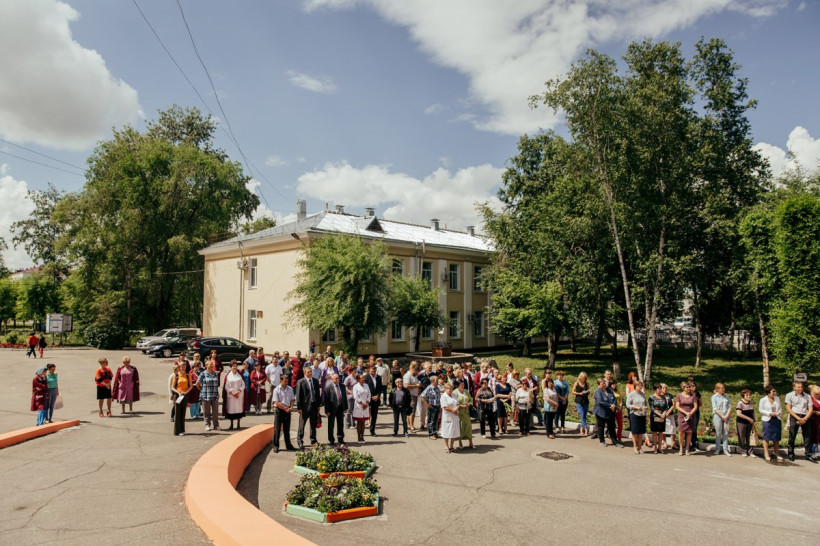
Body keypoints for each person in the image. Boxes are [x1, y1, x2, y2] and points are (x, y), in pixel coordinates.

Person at [784, 381, 814, 461]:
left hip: (805, 416)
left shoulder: (807, 396)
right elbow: (788, 409)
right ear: (794, 387)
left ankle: (808, 454)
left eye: (801, 387)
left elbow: (810, 409)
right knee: (792, 435)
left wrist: (805, 419)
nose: (800, 388)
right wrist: (798, 418)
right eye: (798, 387)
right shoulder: (789, 395)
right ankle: (791, 453)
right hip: (794, 416)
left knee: (807, 436)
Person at [296, 366, 321, 449]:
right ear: (304, 372)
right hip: (304, 407)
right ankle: (300, 440)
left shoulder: (315, 381)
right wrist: (299, 407)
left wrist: (318, 405)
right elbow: (298, 396)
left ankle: (313, 440)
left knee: (313, 424)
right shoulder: (301, 382)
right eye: (308, 372)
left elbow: (317, 394)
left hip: (314, 406)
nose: (310, 373)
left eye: (311, 372)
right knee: (302, 425)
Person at [593, 378, 621, 447]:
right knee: (601, 427)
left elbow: (614, 399)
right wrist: (610, 405)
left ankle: (615, 442)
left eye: (604, 383)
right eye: (602, 383)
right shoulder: (597, 392)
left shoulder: (609, 390)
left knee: (612, 427)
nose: (604, 384)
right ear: (599, 385)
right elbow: (600, 402)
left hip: (610, 412)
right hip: (601, 412)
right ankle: (602, 441)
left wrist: (614, 405)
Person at [271, 375, 296, 452]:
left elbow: (292, 399)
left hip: (287, 410)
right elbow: (276, 402)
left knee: (287, 429)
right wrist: (285, 408)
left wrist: (291, 408)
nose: (286, 383)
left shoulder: (290, 389)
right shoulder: (276, 389)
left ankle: (288, 445)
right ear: (281, 381)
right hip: (279, 410)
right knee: (277, 429)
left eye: (287, 381)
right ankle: (275, 446)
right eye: (285, 381)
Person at [759, 384, 783, 461]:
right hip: (767, 420)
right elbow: (760, 409)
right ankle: (766, 453)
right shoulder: (763, 400)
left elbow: (780, 408)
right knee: (767, 437)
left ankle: (776, 452)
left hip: (776, 419)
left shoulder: (777, 399)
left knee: (776, 437)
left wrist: (778, 413)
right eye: (773, 391)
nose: (774, 392)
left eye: (774, 391)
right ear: (768, 392)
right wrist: (769, 413)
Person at [195, 360, 220, 431]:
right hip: (206, 395)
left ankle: (216, 425)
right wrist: (201, 390)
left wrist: (218, 393)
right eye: (210, 364)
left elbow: (216, 384)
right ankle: (207, 424)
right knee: (206, 412)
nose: (212, 365)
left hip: (214, 395)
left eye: (212, 364)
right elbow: (197, 384)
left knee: (215, 412)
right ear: (206, 366)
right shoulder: (203, 374)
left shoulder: (215, 373)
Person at [323, 373, 347, 445]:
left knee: (340, 424)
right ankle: (331, 440)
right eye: (336, 378)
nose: (337, 379)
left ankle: (340, 438)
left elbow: (344, 397)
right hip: (331, 409)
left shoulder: (342, 386)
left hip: (340, 408)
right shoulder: (328, 387)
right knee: (331, 425)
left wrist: (345, 407)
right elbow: (326, 401)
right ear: (332, 379)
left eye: (338, 378)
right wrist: (327, 410)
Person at [675, 382, 699, 455]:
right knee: (681, 432)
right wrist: (685, 413)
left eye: (689, 387)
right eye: (687, 387)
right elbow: (677, 406)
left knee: (689, 432)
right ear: (683, 388)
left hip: (691, 416)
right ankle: (681, 448)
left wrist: (691, 413)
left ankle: (687, 449)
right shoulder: (679, 395)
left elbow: (695, 406)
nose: (689, 388)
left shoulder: (693, 396)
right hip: (682, 416)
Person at [171, 360, 193, 436]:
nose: (183, 367)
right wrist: (178, 392)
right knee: (178, 413)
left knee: (183, 413)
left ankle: (182, 430)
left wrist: (186, 392)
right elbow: (172, 387)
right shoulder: (176, 375)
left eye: (184, 366)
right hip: (178, 395)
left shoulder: (188, 375)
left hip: (185, 395)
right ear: (179, 367)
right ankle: (177, 431)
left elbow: (191, 386)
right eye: (181, 366)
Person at [222, 360, 246, 431]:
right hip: (231, 395)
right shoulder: (228, 375)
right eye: (233, 366)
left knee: (238, 409)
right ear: (230, 367)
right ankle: (231, 425)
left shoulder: (240, 374)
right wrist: (232, 392)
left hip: (239, 395)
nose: (235, 367)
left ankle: (238, 424)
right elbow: (226, 386)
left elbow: (243, 384)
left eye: (236, 366)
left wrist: (238, 391)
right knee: (231, 409)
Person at [711, 382, 732, 457]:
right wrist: (722, 416)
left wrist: (726, 415)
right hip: (718, 416)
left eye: (724, 388)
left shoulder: (726, 396)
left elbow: (729, 407)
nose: (723, 389)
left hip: (726, 416)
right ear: (717, 389)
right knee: (718, 433)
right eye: (722, 388)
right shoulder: (714, 397)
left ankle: (725, 449)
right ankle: (718, 449)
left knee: (725, 433)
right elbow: (715, 408)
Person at [626, 380, 647, 454]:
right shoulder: (631, 394)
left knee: (640, 432)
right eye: (639, 385)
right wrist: (635, 407)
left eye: (641, 385)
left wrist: (645, 407)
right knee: (635, 432)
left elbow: (645, 403)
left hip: (642, 414)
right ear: (635, 386)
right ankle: (635, 447)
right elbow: (627, 405)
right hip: (634, 414)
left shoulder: (643, 394)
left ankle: (640, 447)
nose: (640, 387)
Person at [649, 384, 669, 454]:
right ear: (655, 389)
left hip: (662, 416)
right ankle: (655, 448)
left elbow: (666, 407)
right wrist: (660, 414)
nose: (660, 390)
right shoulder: (651, 397)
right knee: (655, 432)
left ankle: (659, 448)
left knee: (661, 432)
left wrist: (664, 414)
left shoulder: (663, 397)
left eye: (661, 388)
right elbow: (652, 408)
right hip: (655, 416)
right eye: (659, 389)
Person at [735, 389, 756, 458]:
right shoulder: (740, 403)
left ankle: (750, 451)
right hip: (741, 423)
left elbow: (752, 412)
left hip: (750, 423)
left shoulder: (750, 403)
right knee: (742, 437)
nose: (749, 396)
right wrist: (749, 419)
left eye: (749, 395)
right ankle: (743, 451)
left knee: (749, 437)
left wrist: (754, 420)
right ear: (743, 396)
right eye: (747, 395)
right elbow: (739, 414)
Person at [440, 382, 460, 453]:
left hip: (455, 416)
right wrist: (453, 411)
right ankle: (446, 446)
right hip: (448, 416)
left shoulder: (454, 395)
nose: (450, 390)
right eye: (448, 389)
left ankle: (451, 446)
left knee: (454, 431)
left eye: (451, 389)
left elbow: (458, 404)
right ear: (445, 389)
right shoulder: (443, 396)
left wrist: (456, 409)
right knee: (447, 431)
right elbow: (445, 407)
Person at [351, 373, 371, 443]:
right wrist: (362, 403)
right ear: (358, 379)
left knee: (363, 422)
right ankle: (359, 437)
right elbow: (355, 397)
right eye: (362, 378)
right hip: (359, 406)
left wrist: (367, 403)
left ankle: (362, 436)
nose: (363, 379)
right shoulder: (355, 387)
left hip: (366, 406)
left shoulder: (366, 385)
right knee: (359, 422)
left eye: (363, 378)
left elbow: (369, 394)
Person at [455, 380, 474, 449]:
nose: (463, 386)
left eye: (463, 384)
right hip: (459, 413)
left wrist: (469, 404)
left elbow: (471, 400)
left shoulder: (466, 391)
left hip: (467, 412)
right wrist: (461, 406)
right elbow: (454, 402)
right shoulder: (455, 392)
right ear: (458, 386)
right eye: (461, 385)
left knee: (468, 427)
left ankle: (470, 442)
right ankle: (460, 443)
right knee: (460, 427)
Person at [403, 362, 421, 432]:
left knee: (410, 411)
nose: (416, 374)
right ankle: (411, 426)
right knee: (412, 411)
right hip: (410, 395)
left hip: (414, 394)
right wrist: (416, 386)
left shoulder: (414, 375)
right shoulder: (408, 375)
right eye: (416, 372)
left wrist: (418, 389)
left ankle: (409, 425)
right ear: (413, 370)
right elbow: (406, 385)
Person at [364, 366, 382, 436]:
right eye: (372, 371)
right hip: (367, 398)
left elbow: (380, 388)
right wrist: (371, 396)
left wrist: (377, 395)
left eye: (374, 371)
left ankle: (372, 431)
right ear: (369, 371)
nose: (373, 373)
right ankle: (361, 431)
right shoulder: (365, 377)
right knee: (364, 415)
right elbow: (364, 389)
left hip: (376, 399)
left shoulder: (379, 377)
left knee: (374, 415)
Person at [661, 383, 677, 450]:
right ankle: (664, 443)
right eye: (663, 388)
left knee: (672, 428)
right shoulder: (659, 396)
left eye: (666, 388)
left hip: (670, 414)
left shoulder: (670, 395)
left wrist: (669, 411)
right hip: (662, 414)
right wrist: (664, 413)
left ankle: (673, 443)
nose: (665, 389)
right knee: (663, 429)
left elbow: (673, 404)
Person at [809, 385, 820, 461]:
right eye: (816, 394)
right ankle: (813, 452)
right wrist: (815, 412)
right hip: (813, 420)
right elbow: (807, 409)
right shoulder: (810, 400)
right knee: (814, 436)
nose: (818, 395)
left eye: (819, 394)